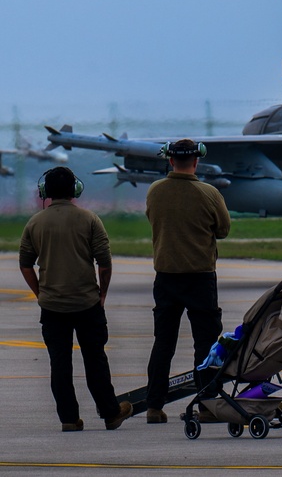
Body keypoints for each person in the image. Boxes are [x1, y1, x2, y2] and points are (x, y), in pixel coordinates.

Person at [19, 167, 133, 432]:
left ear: (45, 191)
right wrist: (102, 293)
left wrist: (40, 293)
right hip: (87, 303)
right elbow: (104, 264)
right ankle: (110, 412)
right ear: (75, 190)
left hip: (52, 306)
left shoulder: (34, 223)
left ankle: (69, 418)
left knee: (59, 363)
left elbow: (26, 265)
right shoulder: (90, 219)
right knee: (95, 359)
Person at [144, 139, 231, 424]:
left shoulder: (155, 191)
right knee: (205, 345)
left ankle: (155, 407)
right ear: (196, 161)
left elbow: (152, 219)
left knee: (163, 344)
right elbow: (223, 230)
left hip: (166, 277)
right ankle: (206, 406)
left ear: (170, 161)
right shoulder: (209, 193)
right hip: (200, 278)